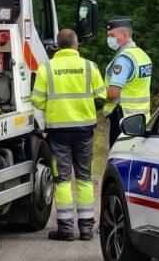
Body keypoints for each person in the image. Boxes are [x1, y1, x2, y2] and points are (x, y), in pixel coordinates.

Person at [31, 28, 105, 242]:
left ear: (57, 45)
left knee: (62, 179)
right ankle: (86, 229)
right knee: (84, 177)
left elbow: (37, 101)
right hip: (85, 132)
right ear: (76, 45)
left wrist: (53, 107)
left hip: (58, 133)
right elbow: (101, 95)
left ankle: (65, 229)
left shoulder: (47, 68)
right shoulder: (90, 67)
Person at [103, 16, 153, 148]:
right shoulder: (142, 55)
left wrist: (97, 92)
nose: (109, 39)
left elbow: (113, 93)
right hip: (141, 118)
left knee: (118, 159)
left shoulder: (123, 60)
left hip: (123, 118)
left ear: (124, 35)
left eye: (112, 35)